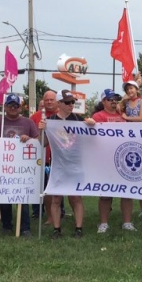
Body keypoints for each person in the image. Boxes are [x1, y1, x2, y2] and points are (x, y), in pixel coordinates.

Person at [40, 90, 95, 238]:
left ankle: (79, 228)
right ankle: (56, 229)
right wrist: (42, 131)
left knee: (75, 197)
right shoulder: (50, 121)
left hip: (76, 163)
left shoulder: (78, 120)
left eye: (72, 102)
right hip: (58, 164)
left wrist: (91, 125)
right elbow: (43, 143)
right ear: (59, 103)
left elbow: (91, 139)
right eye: (67, 102)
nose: (71, 105)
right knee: (56, 198)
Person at [0, 94, 40, 237]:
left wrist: (30, 139)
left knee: (23, 199)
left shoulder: (28, 122)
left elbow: (38, 138)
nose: (13, 108)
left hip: (22, 168)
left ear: (20, 107)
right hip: (4, 167)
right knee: (5, 199)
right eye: (10, 105)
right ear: (5, 107)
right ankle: (6, 226)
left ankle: (25, 227)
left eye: (16, 105)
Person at [92, 89, 136, 233]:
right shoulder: (98, 116)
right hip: (105, 160)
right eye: (110, 99)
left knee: (127, 193)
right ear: (103, 101)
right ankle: (103, 223)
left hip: (123, 159)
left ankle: (127, 222)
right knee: (105, 194)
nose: (113, 101)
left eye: (115, 99)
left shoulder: (124, 117)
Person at [30, 90, 59, 221]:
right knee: (46, 189)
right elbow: (30, 134)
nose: (49, 102)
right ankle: (49, 216)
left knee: (58, 191)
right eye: (46, 100)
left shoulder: (61, 116)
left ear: (57, 100)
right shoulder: (35, 117)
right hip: (41, 159)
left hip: (60, 159)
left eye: (51, 99)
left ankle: (59, 213)